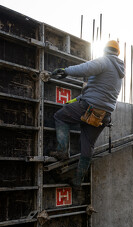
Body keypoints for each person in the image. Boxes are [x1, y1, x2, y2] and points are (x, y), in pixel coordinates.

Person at [50, 40, 125, 191]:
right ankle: (78, 180)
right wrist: (76, 100)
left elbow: (85, 68)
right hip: (104, 115)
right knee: (87, 145)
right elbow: (97, 91)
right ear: (117, 53)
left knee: (60, 116)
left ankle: (62, 151)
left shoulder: (105, 61)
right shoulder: (119, 73)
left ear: (105, 51)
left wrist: (66, 70)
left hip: (90, 108)